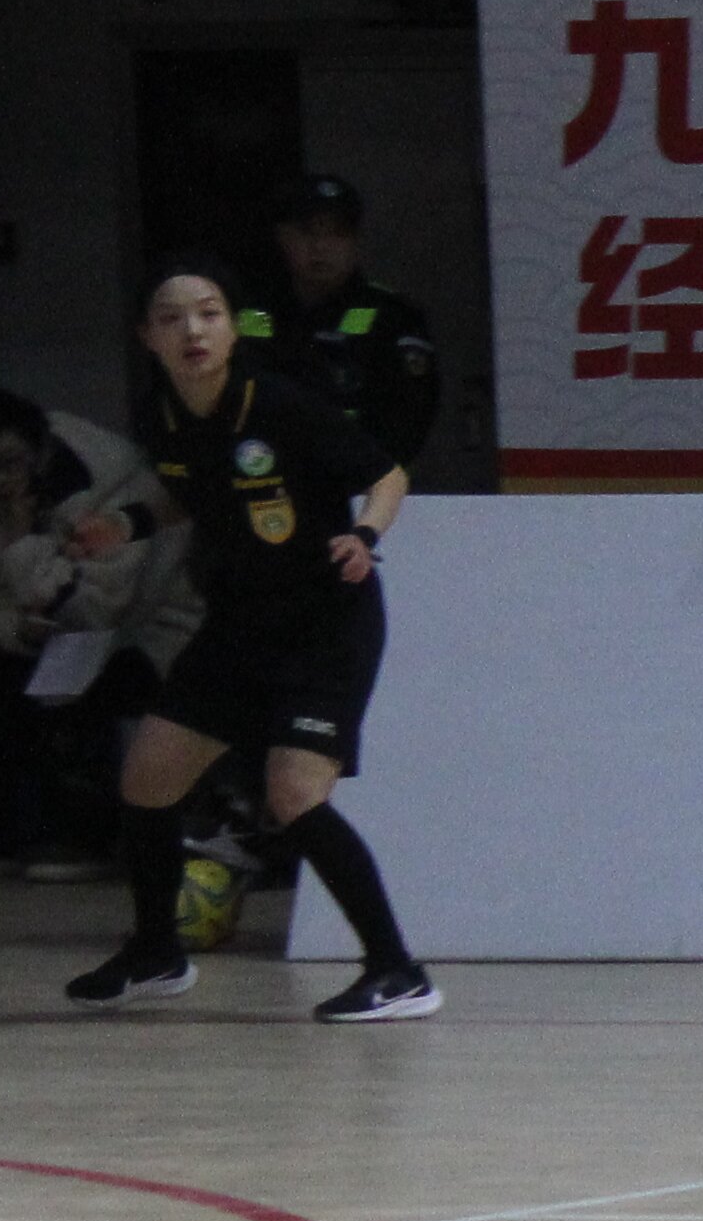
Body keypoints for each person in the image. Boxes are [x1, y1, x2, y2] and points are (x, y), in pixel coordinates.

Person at [62, 257, 431, 1019]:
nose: (192, 330)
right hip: (238, 623)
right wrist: (123, 525)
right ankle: (157, 952)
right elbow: (192, 493)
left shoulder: (281, 404)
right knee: (148, 778)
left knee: (293, 794)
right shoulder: (162, 414)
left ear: (232, 328)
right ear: (147, 335)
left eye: (209, 313)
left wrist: (364, 533)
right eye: (172, 318)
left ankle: (399, 971)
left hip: (325, 622)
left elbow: (387, 474)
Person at [0, 384, 194, 880]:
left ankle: (82, 832)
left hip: (145, 630)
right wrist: (21, 630)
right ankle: (0, 828)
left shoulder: (108, 484)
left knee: (78, 682)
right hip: (44, 630)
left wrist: (19, 539)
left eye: (9, 463)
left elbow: (93, 608)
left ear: (40, 450)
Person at [238, 173, 442, 473]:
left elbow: (409, 418)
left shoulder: (393, 317)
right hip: (259, 478)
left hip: (361, 484)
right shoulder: (247, 312)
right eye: (307, 232)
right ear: (282, 236)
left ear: (355, 241)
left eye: (337, 233)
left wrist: (365, 475)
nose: (320, 246)